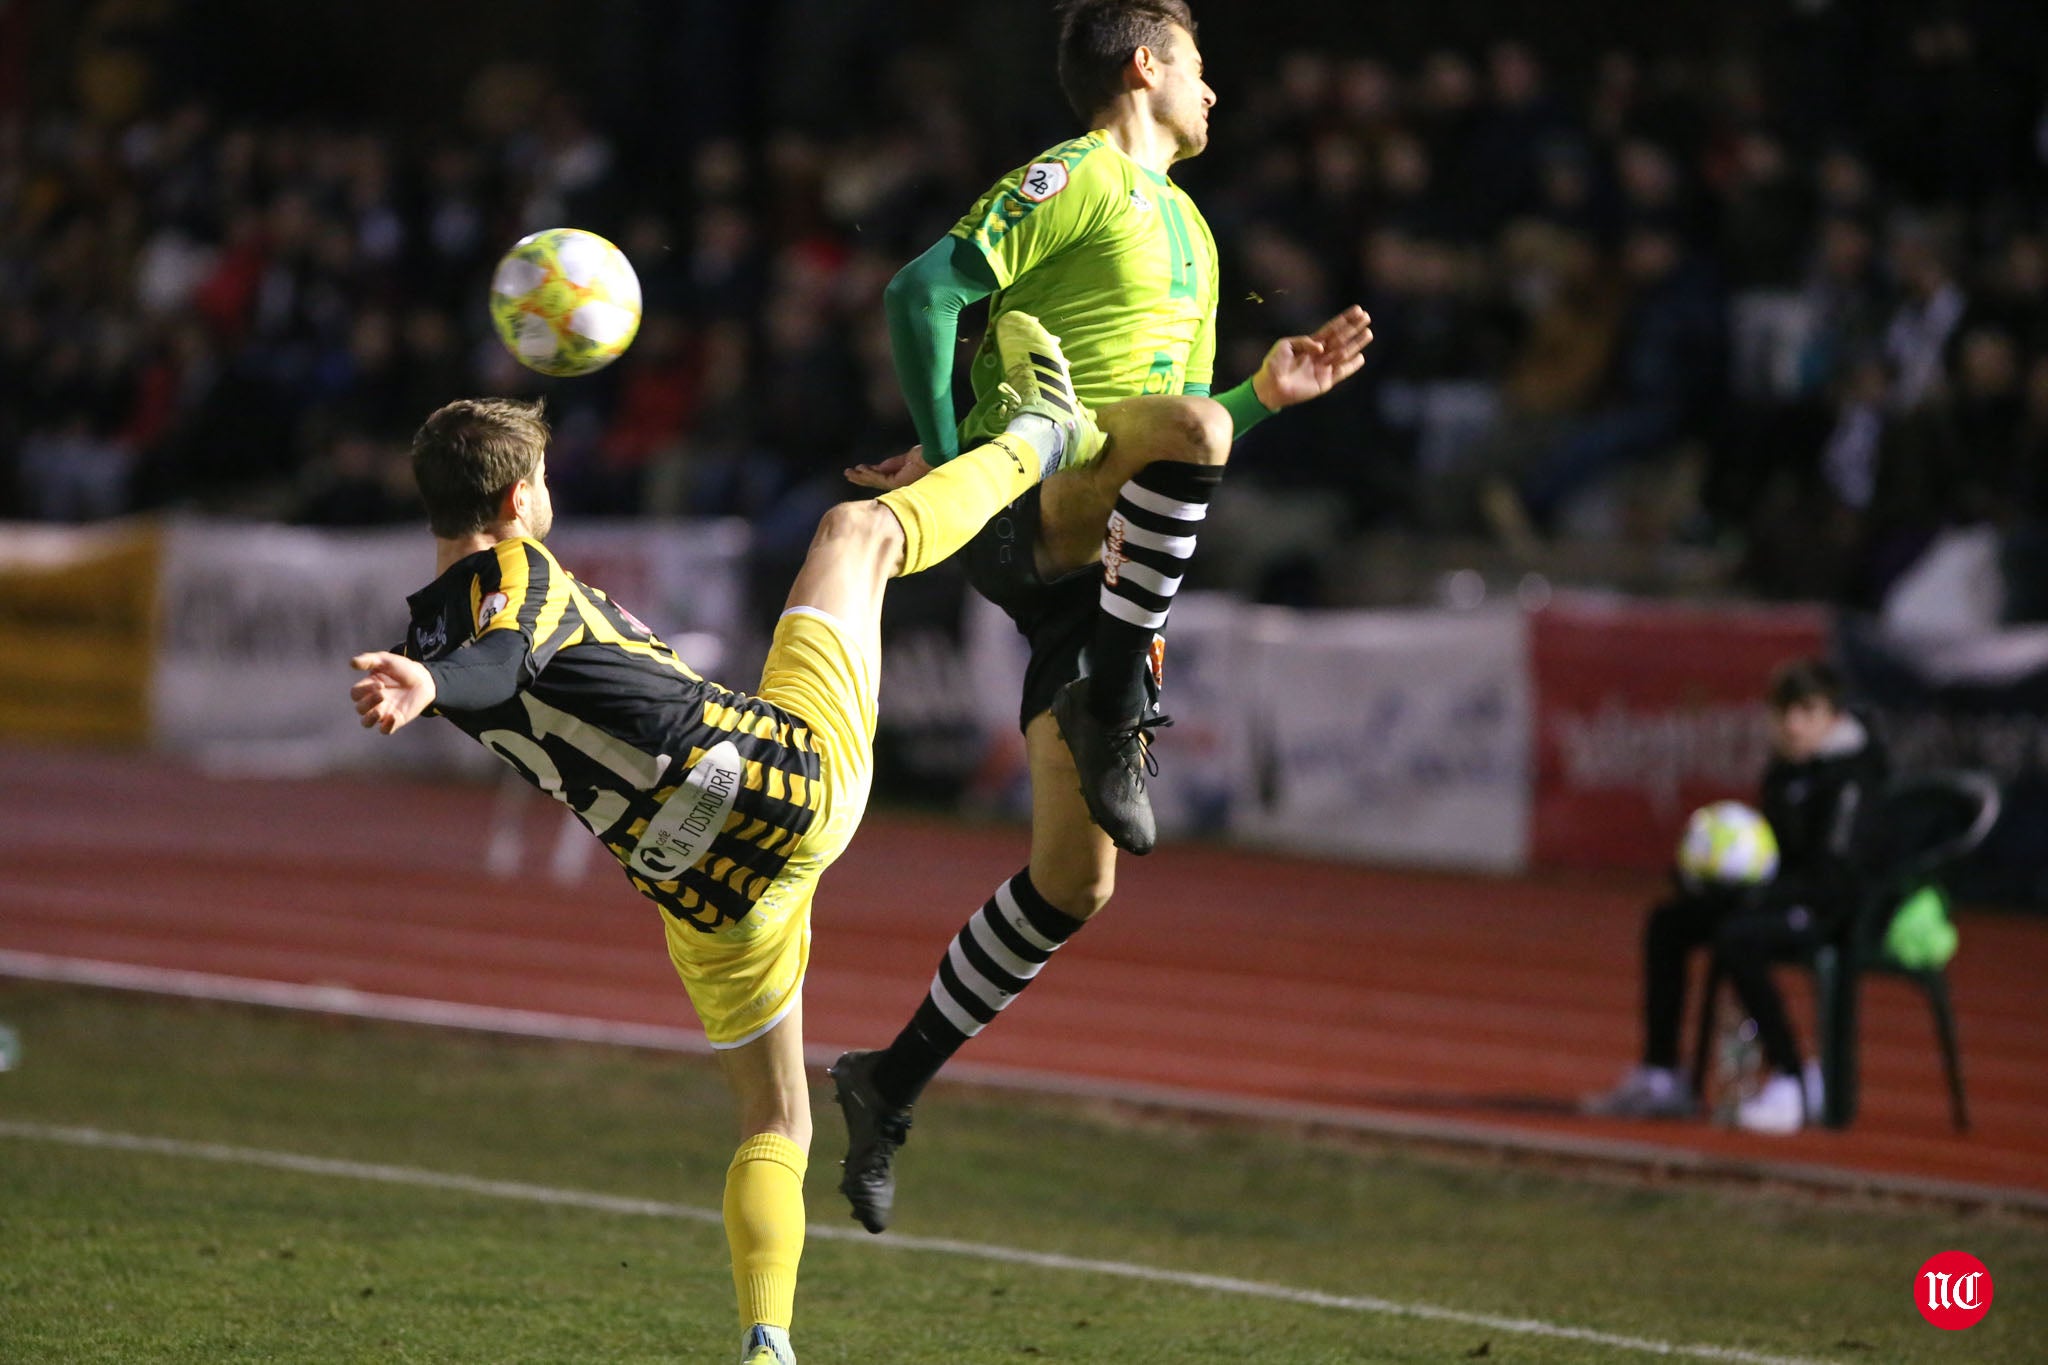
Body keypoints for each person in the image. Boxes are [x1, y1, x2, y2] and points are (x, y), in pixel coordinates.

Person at [347, 313, 1100, 1365]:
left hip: (695, 883)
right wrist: (435, 687)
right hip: (777, 780)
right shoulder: (506, 588)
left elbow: (484, 663)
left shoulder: (431, 617)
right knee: (857, 535)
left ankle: (766, 1338)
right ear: (520, 501)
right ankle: (1044, 438)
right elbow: (503, 658)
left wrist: (429, 676)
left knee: (774, 1121)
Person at [830, 0, 1372, 1233]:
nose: (1216, 94)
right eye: (1199, 68)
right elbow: (922, 292)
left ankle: (886, 1081)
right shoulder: (1073, 176)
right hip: (1031, 505)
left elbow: (1182, 435)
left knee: (1075, 884)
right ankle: (1119, 693)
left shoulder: (1189, 227)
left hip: (1098, 563)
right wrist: (953, 455)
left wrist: (1264, 395)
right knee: (1196, 427)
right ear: (1144, 68)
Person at [1589, 658, 1888, 1134]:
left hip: (1833, 909)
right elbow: (1768, 852)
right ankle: (1662, 1074)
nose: (1792, 725)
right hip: (1778, 897)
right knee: (1668, 922)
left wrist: (1757, 893)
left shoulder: (1853, 777)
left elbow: (1833, 875)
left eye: (1806, 712)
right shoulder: (1782, 770)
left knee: (1737, 939)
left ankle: (1793, 1076)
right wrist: (1709, 875)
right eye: (1783, 712)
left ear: (1831, 717)